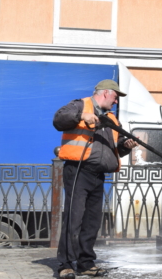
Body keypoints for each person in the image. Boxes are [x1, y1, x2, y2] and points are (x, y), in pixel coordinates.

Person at [53, 80, 138, 279]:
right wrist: (82, 116)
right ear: (106, 93)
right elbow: (58, 119)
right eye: (116, 97)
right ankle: (65, 264)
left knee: (92, 221)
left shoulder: (111, 120)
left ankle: (85, 263)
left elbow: (114, 148)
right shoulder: (80, 105)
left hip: (98, 175)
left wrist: (126, 145)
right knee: (74, 219)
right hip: (78, 171)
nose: (116, 102)